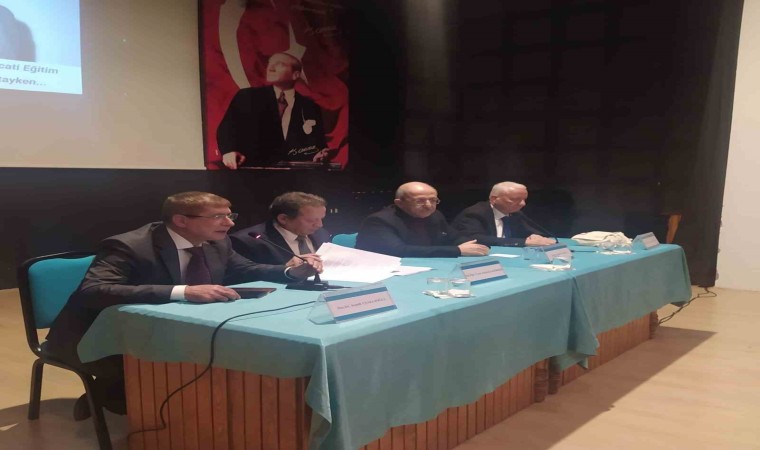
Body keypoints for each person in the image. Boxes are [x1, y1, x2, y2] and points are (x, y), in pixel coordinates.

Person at [45, 192, 319, 421]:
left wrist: (289, 272)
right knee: (142, 397)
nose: (229, 223)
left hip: (176, 326)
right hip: (100, 335)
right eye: (218, 216)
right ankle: (107, 392)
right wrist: (183, 291)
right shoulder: (129, 245)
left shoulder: (217, 242)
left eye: (230, 215)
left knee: (235, 355)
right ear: (181, 221)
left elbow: (245, 269)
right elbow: (93, 290)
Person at [217, 52, 333, 169]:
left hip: (294, 175)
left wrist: (319, 154)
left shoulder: (310, 107)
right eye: (270, 63)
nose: (271, 67)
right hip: (251, 172)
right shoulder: (247, 97)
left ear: (295, 75)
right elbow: (226, 128)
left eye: (280, 64)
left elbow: (318, 145)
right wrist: (228, 151)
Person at [355, 182, 490, 257]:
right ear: (399, 203)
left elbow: (454, 237)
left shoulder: (435, 215)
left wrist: (477, 245)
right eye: (420, 201)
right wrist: (458, 250)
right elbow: (399, 251)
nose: (428, 205)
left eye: (433, 200)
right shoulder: (379, 221)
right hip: (382, 272)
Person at [230, 192, 330, 266]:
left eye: (321, 219)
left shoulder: (321, 234)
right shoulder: (248, 241)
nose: (319, 225)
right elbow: (243, 276)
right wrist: (285, 269)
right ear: (283, 219)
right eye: (311, 220)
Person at [452, 182, 557, 247]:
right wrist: (523, 242)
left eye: (524, 199)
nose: (523, 204)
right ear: (494, 199)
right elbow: (475, 238)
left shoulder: (516, 214)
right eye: (516, 199)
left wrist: (535, 236)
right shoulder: (475, 213)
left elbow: (530, 231)